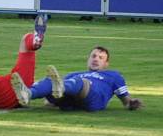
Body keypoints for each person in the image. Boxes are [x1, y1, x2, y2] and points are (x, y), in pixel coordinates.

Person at [11, 46, 143, 112]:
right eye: (93, 56)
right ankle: (28, 93)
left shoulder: (113, 75)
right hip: (69, 102)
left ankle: (60, 87)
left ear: (106, 64)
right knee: (50, 80)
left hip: (93, 100)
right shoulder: (76, 73)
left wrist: (131, 103)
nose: (96, 59)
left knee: (79, 82)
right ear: (88, 59)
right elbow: (49, 103)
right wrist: (50, 99)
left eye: (100, 58)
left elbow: (126, 101)